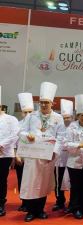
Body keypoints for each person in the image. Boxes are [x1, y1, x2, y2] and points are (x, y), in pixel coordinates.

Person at [19, 82, 63, 222]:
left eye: (46, 102)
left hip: (47, 157)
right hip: (33, 156)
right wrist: (27, 136)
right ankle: (31, 211)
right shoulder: (31, 116)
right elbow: (21, 131)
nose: (44, 105)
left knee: (43, 184)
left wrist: (54, 153)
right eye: (42, 102)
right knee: (32, 183)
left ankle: (40, 210)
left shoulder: (58, 118)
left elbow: (61, 137)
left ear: (52, 103)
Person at [0, 86, 19, 217]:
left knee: (1, 180)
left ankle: (0, 204)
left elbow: (15, 134)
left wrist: (1, 144)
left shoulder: (11, 119)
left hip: (4, 154)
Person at [52, 99, 74, 212]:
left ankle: (72, 203)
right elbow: (54, 140)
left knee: (72, 182)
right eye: (64, 117)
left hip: (72, 159)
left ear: (72, 117)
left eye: (68, 117)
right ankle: (60, 202)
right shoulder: (57, 126)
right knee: (59, 182)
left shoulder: (75, 126)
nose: (66, 119)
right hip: (60, 159)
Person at [14, 92, 34, 212]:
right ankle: (24, 202)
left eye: (30, 112)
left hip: (33, 157)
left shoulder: (37, 125)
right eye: (25, 112)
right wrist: (17, 155)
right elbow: (14, 141)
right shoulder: (17, 124)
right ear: (22, 113)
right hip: (20, 157)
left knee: (32, 180)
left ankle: (32, 203)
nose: (27, 115)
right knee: (21, 179)